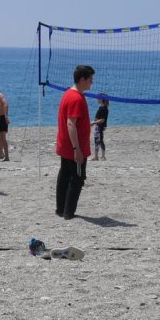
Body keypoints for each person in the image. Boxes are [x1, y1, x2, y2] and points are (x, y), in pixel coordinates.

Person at [56, 65, 94, 219]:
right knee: (77, 179)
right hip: (73, 147)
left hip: (65, 145)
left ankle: (60, 209)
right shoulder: (76, 98)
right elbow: (70, 124)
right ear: (82, 79)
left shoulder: (67, 94)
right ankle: (68, 212)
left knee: (64, 175)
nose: (92, 83)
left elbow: (72, 122)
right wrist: (76, 148)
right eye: (90, 80)